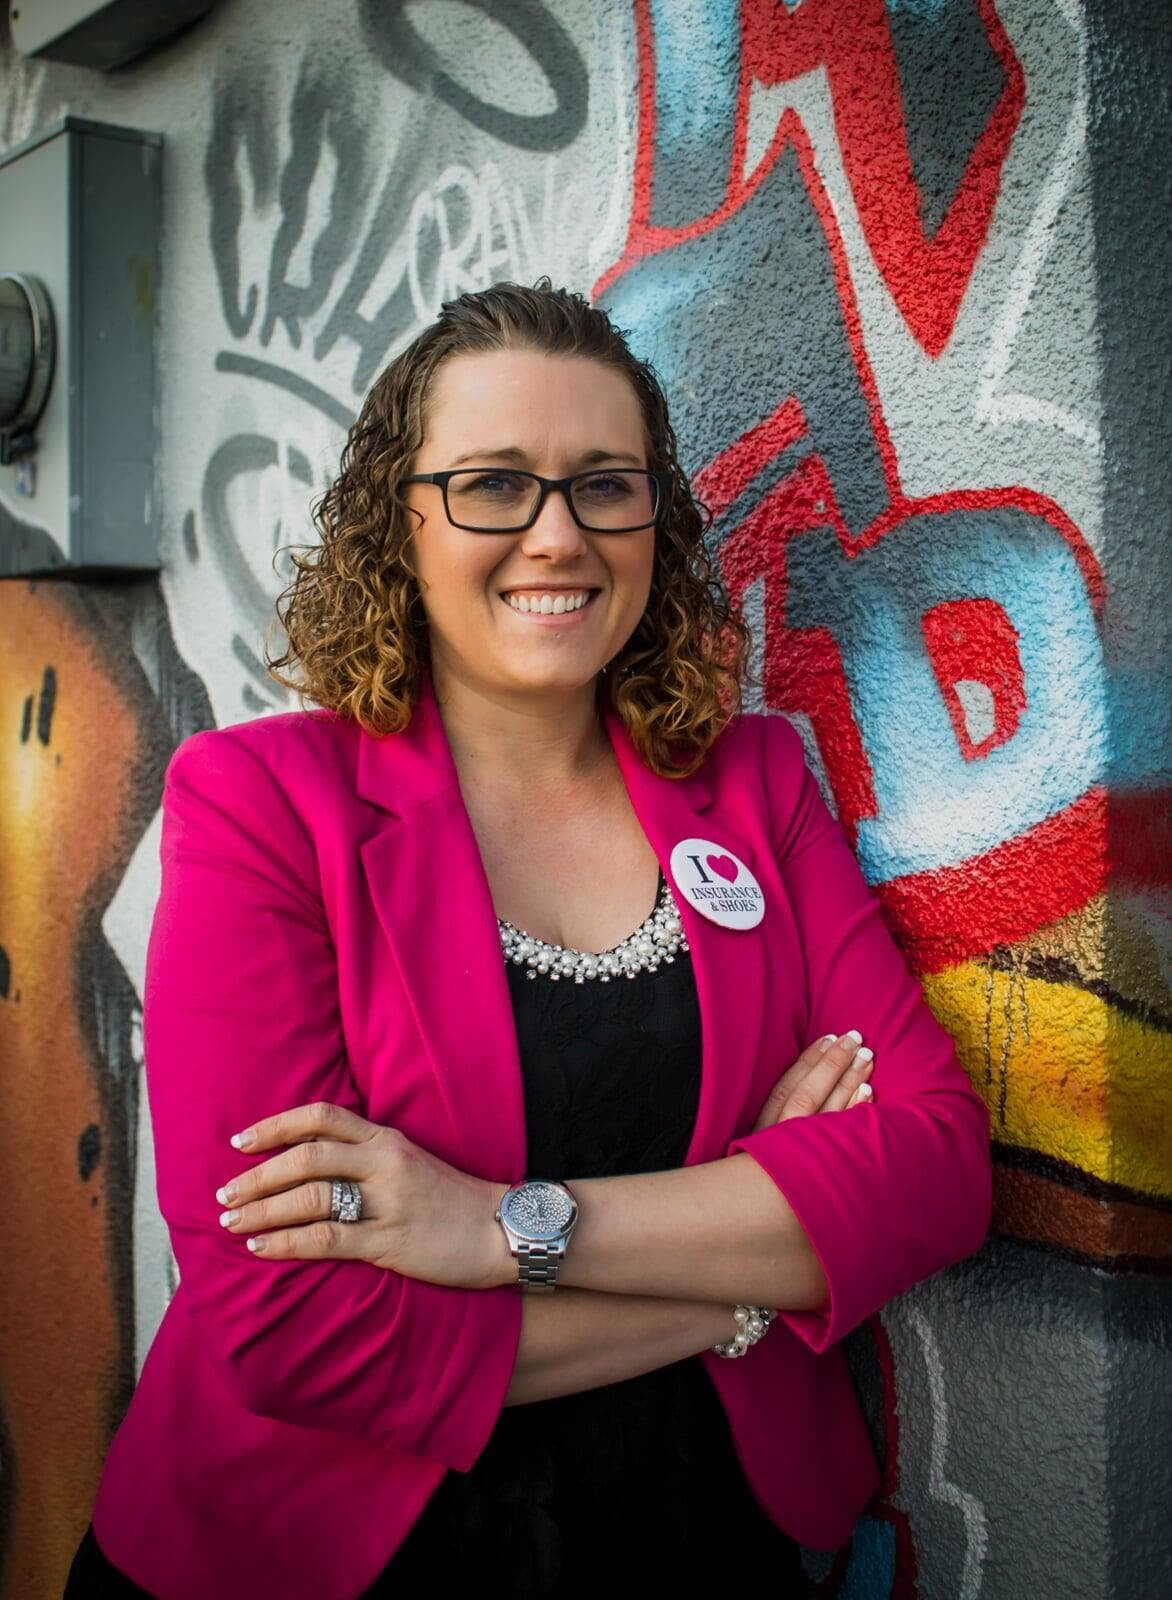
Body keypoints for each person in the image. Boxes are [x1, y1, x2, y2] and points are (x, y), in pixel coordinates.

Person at [64, 279, 992, 1600]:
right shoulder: (262, 805)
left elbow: (936, 1170)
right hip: (327, 1552)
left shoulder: (756, 786)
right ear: (400, 522)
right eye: (494, 485)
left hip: (694, 1539)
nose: (558, 536)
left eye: (604, 486)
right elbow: (291, 1326)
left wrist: (501, 1228)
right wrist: (744, 1280)